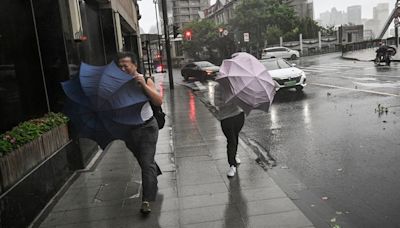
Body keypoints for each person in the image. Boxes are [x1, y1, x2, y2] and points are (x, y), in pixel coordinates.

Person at [117, 52, 163, 214]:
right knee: (143, 159)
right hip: (128, 130)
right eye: (120, 66)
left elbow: (158, 100)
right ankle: (153, 170)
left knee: (146, 163)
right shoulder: (117, 84)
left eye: (126, 65)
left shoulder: (145, 79)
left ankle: (147, 200)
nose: (122, 69)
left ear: (135, 65)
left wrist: (143, 85)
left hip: (147, 127)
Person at [214, 82, 245, 177]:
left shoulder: (238, 85)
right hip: (226, 117)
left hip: (238, 115)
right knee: (231, 140)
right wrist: (229, 101)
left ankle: (234, 155)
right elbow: (216, 103)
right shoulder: (218, 87)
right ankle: (232, 165)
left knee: (235, 137)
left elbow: (244, 99)